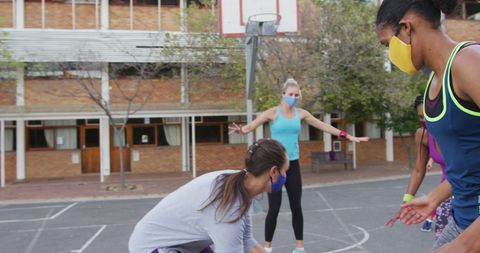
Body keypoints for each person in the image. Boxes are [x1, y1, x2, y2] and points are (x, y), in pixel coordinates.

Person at [375, 0, 480, 251]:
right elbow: (470, 162)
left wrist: (464, 245)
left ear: (407, 28)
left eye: (387, 44)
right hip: (462, 216)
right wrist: (434, 197)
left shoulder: (468, 62)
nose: (390, 53)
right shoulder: (436, 79)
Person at [229, 78, 369, 253]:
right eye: (290, 94)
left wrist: (348, 136)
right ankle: (268, 248)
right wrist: (242, 130)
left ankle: (300, 247)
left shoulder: (301, 113)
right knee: (274, 208)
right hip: (274, 167)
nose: (293, 97)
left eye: (296, 95)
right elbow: (252, 126)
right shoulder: (273, 113)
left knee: (297, 206)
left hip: (292, 165)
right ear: (283, 94)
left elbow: (325, 126)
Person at [128, 139, 289, 253]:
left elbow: (246, 242)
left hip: (186, 244)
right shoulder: (228, 206)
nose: (286, 176)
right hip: (152, 246)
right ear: (273, 172)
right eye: (285, 171)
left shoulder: (239, 184)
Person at [385, 95, 452, 240]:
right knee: (444, 243)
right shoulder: (423, 135)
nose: (424, 121)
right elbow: (418, 170)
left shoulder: (458, 131)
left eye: (428, 116)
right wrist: (405, 203)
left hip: (471, 192)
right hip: (444, 196)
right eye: (421, 117)